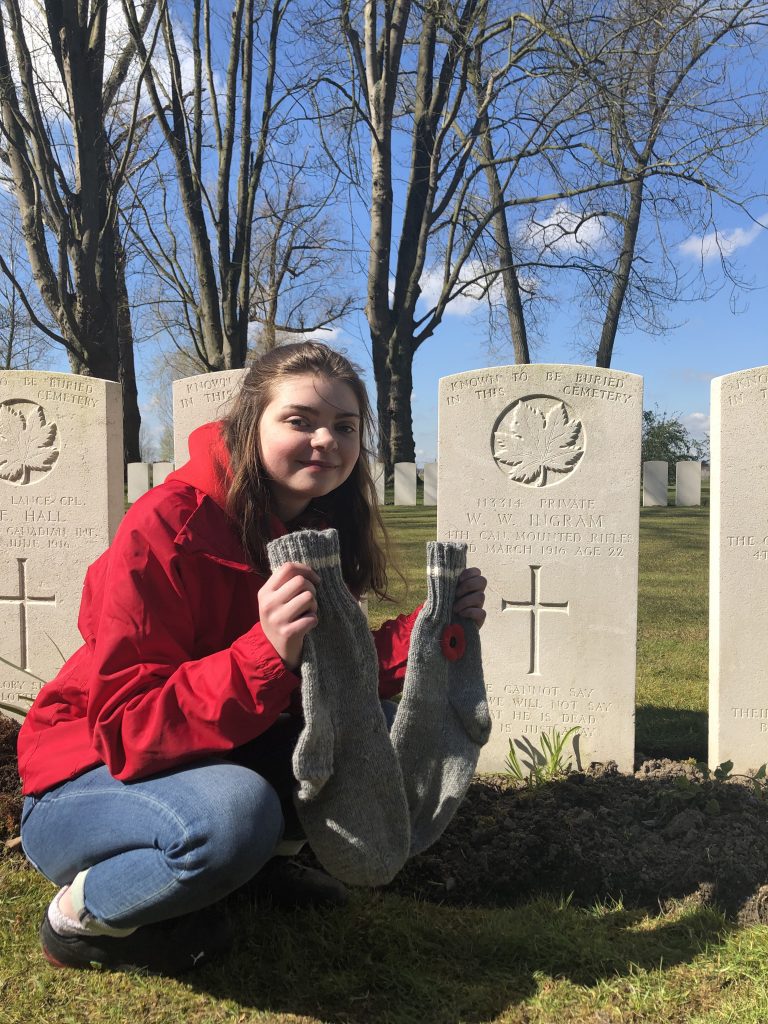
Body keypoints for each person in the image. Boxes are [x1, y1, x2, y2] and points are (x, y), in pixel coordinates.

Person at [16, 342, 487, 974]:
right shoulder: (165, 526)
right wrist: (265, 651)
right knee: (236, 816)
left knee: (366, 716)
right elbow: (128, 730)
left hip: (191, 762)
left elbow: (333, 676)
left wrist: (428, 633)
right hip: (86, 780)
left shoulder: (316, 529)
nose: (326, 440)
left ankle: (254, 875)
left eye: (344, 427)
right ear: (250, 426)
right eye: (299, 420)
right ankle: (78, 918)